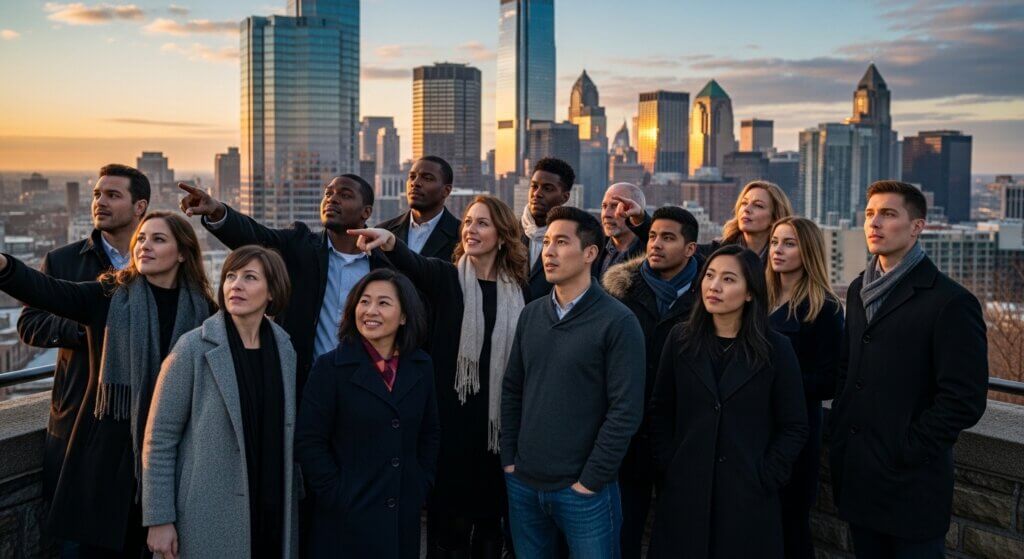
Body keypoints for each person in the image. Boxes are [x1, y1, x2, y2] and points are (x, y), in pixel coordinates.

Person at [0, 211, 214, 557]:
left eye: (158, 239)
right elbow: (48, 291)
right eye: (141, 238)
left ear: (183, 253)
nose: (145, 246)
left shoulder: (204, 312)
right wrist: (4, 266)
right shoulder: (109, 296)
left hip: (171, 463)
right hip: (105, 464)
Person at [349, 195, 530, 557]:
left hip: (498, 427)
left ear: (502, 234)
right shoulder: (447, 278)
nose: (470, 230)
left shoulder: (520, 292)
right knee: (448, 528)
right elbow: (413, 264)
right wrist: (389, 242)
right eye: (467, 222)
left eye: (482, 223)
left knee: (492, 528)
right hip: (450, 423)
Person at [828, 181, 988, 558]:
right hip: (860, 477)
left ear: (917, 226)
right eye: (869, 214)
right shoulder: (857, 289)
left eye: (888, 214)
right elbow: (848, 368)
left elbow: (964, 399)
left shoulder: (951, 302)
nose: (874, 223)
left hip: (911, 485)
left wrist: (908, 449)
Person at [501, 206, 645, 558]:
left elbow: (625, 411)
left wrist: (591, 480)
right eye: (547, 241)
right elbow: (512, 390)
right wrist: (510, 461)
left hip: (584, 491)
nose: (549, 251)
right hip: (524, 482)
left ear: (590, 254)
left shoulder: (618, 322)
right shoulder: (532, 313)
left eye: (561, 242)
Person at [647, 245, 808, 559]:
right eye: (709, 276)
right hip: (686, 492)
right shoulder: (680, 339)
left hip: (748, 496)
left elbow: (794, 425)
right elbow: (660, 408)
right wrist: (670, 464)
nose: (714, 286)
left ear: (750, 293)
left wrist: (766, 474)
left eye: (729, 279)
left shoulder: (776, 348)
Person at [143, 246, 298, 559]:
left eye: (249, 277)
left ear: (271, 292)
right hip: (207, 512)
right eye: (230, 276)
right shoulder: (192, 348)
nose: (235, 285)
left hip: (272, 506)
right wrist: (159, 519)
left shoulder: (285, 349)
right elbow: (159, 439)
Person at [17, 164, 149, 515]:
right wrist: (85, 328)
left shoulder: (155, 261)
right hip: (79, 413)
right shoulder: (63, 261)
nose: (99, 202)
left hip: (141, 419)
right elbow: (30, 325)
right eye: (96, 194)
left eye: (112, 195)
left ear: (141, 207)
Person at [178, 174, 390, 392]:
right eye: (328, 193)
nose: (332, 199)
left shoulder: (384, 264)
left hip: (366, 388)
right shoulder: (300, 245)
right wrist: (217, 211)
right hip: (304, 386)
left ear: (366, 212)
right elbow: (255, 236)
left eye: (345, 195)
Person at [296, 269, 440, 559]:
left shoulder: (421, 366)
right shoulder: (330, 368)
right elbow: (309, 442)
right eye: (364, 301)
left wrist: (419, 485)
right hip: (346, 519)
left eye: (384, 303)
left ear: (404, 316)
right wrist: (338, 494)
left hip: (401, 514)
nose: (371, 311)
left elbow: (430, 432)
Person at [602, 206, 702, 559]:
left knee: (680, 534)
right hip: (627, 434)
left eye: (668, 238)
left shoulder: (709, 299)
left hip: (685, 433)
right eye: (654, 236)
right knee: (622, 533)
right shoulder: (620, 292)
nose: (656, 244)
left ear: (691, 249)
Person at [766, 217, 845, 559]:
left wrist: (778, 384)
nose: (777, 250)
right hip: (751, 426)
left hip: (795, 431)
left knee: (790, 523)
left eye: (789, 243)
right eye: (774, 242)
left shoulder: (823, 308)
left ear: (808, 250)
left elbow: (831, 380)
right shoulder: (757, 298)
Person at [377, 155, 461, 260]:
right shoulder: (383, 232)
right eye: (412, 177)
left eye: (427, 178)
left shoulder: (462, 235)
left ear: (446, 191)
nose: (415, 183)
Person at [699, 180, 794, 266]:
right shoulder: (712, 253)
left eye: (758, 205)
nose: (746, 209)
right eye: (744, 203)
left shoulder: (782, 259)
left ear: (775, 218)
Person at [521, 157, 575, 299]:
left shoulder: (574, 240)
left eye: (547, 188)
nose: (537, 194)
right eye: (534, 186)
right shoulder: (508, 232)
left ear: (565, 197)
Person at [596, 182, 651, 279]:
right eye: (604, 206)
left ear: (634, 210)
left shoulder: (652, 252)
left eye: (615, 206)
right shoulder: (594, 248)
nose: (606, 214)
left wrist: (641, 218)